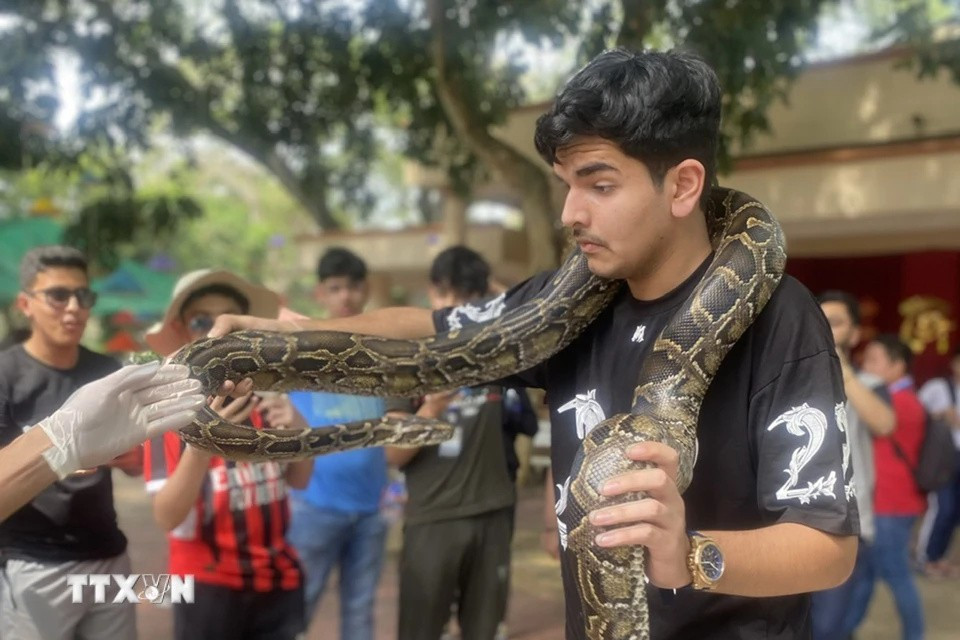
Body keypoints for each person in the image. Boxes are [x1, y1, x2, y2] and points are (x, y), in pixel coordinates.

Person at [209, 49, 858, 639]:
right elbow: (432, 329)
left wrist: (686, 553)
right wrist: (290, 339)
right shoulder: (568, 304)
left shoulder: (781, 319)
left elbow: (828, 549)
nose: (571, 212)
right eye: (567, 185)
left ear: (684, 185)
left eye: (599, 185)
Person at [142, 269, 313, 640]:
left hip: (278, 582)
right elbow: (167, 517)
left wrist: (297, 428)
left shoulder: (268, 400)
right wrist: (204, 444)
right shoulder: (164, 415)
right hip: (207, 587)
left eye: (227, 321)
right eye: (202, 320)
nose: (214, 333)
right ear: (183, 329)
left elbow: (300, 479)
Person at [0, 245, 147, 640]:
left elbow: (138, 464)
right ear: (25, 304)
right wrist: (57, 454)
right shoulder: (5, 375)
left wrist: (132, 458)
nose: (73, 308)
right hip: (34, 561)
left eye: (83, 296)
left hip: (109, 553)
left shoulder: (108, 372)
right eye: (58, 295)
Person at [385, 246, 524, 640]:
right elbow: (394, 454)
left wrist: (489, 291)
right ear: (432, 293)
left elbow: (535, 306)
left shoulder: (497, 353)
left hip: (493, 512)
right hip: (433, 518)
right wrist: (432, 408)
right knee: (420, 630)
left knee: (484, 630)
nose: (453, 311)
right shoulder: (406, 360)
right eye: (446, 297)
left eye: (466, 300)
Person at [283, 247, 390, 640]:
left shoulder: (381, 352)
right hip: (314, 508)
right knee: (297, 610)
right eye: (335, 288)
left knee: (360, 614)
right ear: (320, 295)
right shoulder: (299, 353)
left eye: (354, 287)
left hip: (371, 512)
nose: (346, 297)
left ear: (365, 292)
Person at [0, 362, 204, 521]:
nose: (73, 308)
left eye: (85, 303)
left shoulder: (103, 365)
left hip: (105, 536)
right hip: (30, 546)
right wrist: (62, 440)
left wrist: (63, 444)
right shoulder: (8, 369)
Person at [811, 291, 896, 640]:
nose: (825, 330)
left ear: (855, 334)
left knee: (830, 627)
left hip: (847, 521)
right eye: (820, 321)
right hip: (790, 519)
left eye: (836, 323)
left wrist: (842, 371)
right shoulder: (791, 381)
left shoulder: (871, 385)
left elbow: (885, 423)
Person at [844, 334, 926, 640]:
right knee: (866, 575)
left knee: (896, 575)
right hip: (890, 503)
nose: (866, 364)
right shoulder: (899, 396)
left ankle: (914, 634)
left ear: (897, 366)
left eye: (875, 359)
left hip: (890, 505)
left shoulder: (900, 402)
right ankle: (844, 629)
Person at [916, 346, 960, 578]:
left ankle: (940, 557)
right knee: (942, 509)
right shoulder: (937, 388)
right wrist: (940, 415)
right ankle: (926, 558)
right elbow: (915, 415)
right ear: (953, 364)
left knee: (954, 513)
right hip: (942, 458)